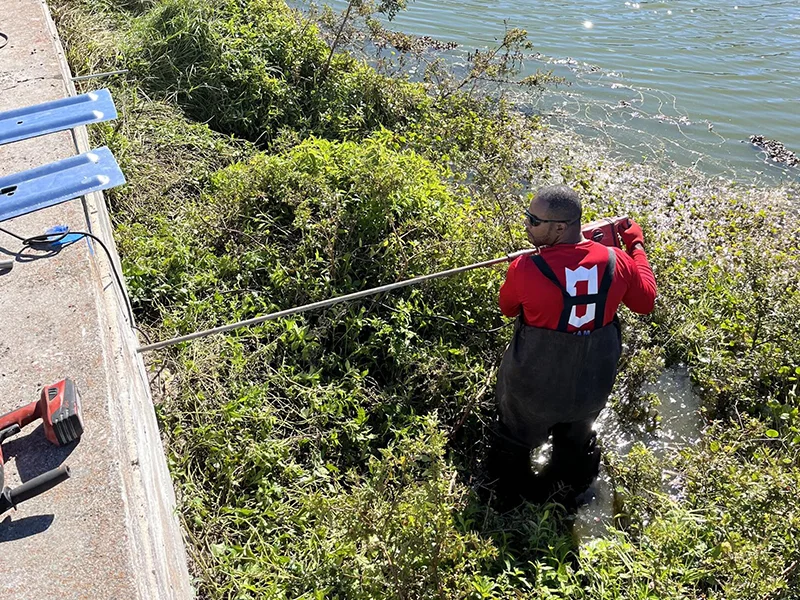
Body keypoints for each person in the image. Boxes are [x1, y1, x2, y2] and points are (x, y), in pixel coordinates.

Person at [488, 185, 657, 505]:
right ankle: (566, 501)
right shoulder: (616, 259)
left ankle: (507, 502)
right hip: (589, 389)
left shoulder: (524, 268)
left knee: (512, 446)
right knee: (575, 449)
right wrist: (635, 244)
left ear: (560, 227)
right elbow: (646, 301)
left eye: (533, 220)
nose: (526, 225)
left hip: (532, 393)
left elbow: (507, 308)